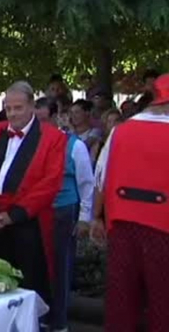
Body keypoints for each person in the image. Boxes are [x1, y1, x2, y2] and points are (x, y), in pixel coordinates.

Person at [0, 81, 66, 323]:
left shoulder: (54, 138)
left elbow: (50, 184)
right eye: (8, 108)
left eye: (18, 107)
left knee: (30, 281)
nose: (12, 113)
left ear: (31, 107)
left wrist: (15, 214)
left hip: (29, 220)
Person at [92, 73, 169, 332]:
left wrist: (96, 217)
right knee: (163, 305)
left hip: (122, 226)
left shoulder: (120, 132)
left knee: (121, 304)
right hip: (163, 230)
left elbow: (100, 178)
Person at [35, 97, 95, 332]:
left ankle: (59, 320)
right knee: (37, 264)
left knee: (60, 266)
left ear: (55, 116)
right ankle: (40, 314)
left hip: (63, 211)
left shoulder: (74, 145)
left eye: (43, 120)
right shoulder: (30, 146)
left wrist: (84, 218)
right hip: (36, 211)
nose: (39, 125)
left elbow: (87, 184)